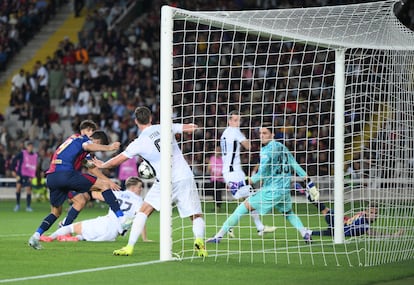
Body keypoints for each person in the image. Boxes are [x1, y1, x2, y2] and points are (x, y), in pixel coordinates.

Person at [92, 106, 208, 257]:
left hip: (164, 181)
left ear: (136, 121)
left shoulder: (138, 143)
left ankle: (129, 247)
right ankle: (200, 242)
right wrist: (195, 126)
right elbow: (191, 128)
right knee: (196, 214)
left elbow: (116, 161)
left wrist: (103, 164)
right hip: (184, 176)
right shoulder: (165, 127)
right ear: (151, 118)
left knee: (143, 211)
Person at [207, 122, 319, 244]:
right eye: (260, 133)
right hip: (284, 190)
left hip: (271, 191)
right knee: (288, 213)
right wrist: (310, 184)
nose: (262, 135)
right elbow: (295, 165)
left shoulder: (266, 151)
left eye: (265, 133)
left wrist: (240, 184)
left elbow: (261, 175)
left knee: (241, 209)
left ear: (273, 134)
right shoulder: (281, 146)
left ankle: (218, 237)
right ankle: (305, 233)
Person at [28, 121, 128, 250]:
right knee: (104, 187)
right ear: (92, 135)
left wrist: (106, 177)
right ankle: (122, 219)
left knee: (56, 212)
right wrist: (109, 147)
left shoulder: (71, 141)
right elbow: (88, 147)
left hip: (52, 177)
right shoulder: (84, 139)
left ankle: (35, 236)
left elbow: (89, 166)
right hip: (66, 174)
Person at [41, 176, 151, 242]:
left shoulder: (117, 194)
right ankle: (77, 238)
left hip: (105, 224)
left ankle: (50, 237)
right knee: (86, 237)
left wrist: (79, 191)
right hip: (113, 235)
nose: (141, 189)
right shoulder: (140, 201)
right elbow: (140, 220)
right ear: (132, 188)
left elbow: (94, 194)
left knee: (71, 227)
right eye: (139, 187)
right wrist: (144, 238)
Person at [220, 111, 276, 236]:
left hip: (231, 171)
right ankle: (233, 225)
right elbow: (248, 146)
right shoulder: (234, 131)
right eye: (235, 120)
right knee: (251, 199)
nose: (237, 123)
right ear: (229, 121)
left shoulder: (225, 133)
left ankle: (259, 227)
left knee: (249, 199)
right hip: (233, 172)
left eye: (239, 120)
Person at [294, 183, 403, 238]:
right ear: (366, 212)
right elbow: (373, 232)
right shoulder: (363, 222)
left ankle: (309, 232)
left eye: (375, 213)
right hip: (341, 223)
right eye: (372, 212)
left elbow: (374, 233)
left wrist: (393, 235)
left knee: (327, 219)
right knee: (326, 211)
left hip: (341, 226)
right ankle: (306, 194)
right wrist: (393, 235)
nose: (374, 215)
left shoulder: (363, 223)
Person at [11, 140, 38, 212]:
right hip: (20, 173)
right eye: (29, 146)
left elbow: (35, 166)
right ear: (27, 147)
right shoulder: (22, 153)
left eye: (31, 146)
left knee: (28, 190)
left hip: (29, 175)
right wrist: (13, 170)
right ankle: (17, 205)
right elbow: (14, 160)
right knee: (18, 188)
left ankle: (28, 206)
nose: (30, 147)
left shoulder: (35, 155)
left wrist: (33, 176)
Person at [206, 145, 225, 212]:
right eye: (216, 150)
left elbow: (225, 169)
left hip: (220, 179)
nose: (217, 151)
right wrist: (211, 172)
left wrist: (221, 174)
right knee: (214, 193)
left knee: (218, 192)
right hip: (213, 179)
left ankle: (218, 206)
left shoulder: (223, 159)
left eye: (218, 150)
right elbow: (209, 168)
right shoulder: (212, 158)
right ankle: (217, 206)